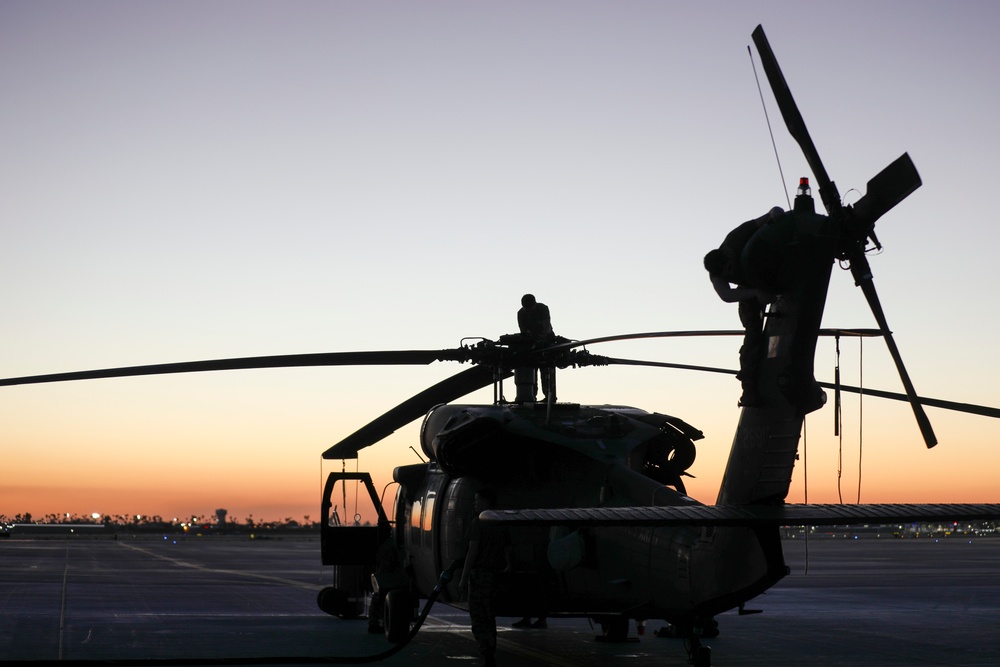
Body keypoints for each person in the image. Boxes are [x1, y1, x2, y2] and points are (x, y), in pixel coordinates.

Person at [704, 207, 782, 406]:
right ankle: (749, 386)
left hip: (774, 269)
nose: (729, 273)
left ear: (728, 256)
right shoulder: (717, 275)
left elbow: (775, 211)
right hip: (750, 288)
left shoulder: (737, 238)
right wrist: (756, 293)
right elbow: (727, 295)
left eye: (730, 268)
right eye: (726, 274)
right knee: (752, 332)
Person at [459, 490, 512, 667]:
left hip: (479, 576)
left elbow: (472, 553)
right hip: (495, 576)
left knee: (478, 615)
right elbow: (507, 549)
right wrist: (508, 568)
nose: (475, 504)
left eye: (477, 501)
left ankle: (485, 650)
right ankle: (491, 648)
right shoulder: (500, 523)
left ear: (486, 502)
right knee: (490, 616)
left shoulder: (478, 523)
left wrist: (463, 578)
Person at [514, 294, 556, 403]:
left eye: (530, 308)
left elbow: (546, 327)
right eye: (526, 309)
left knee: (546, 369)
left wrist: (542, 337)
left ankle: (550, 396)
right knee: (531, 369)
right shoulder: (521, 313)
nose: (528, 311)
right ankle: (531, 396)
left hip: (547, 342)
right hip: (531, 343)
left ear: (535, 305)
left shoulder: (543, 309)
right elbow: (523, 331)